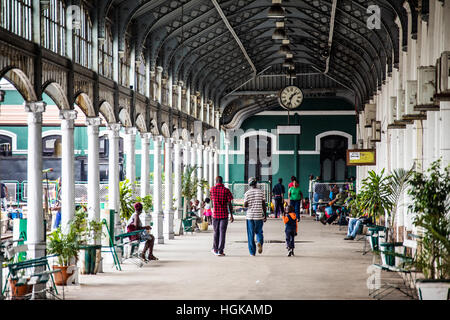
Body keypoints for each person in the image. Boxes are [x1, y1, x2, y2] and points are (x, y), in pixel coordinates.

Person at [209, 176, 234, 256]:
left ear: (216, 181)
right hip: (224, 214)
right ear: (222, 181)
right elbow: (229, 203)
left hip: (215, 214)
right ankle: (221, 251)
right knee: (222, 233)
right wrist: (232, 215)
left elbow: (212, 200)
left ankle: (215, 249)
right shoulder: (226, 190)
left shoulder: (212, 189)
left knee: (216, 232)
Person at [244, 177, 267, 256]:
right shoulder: (261, 192)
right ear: (256, 183)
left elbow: (245, 205)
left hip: (250, 217)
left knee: (251, 234)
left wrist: (246, 204)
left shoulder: (247, 193)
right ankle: (259, 242)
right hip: (258, 216)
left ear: (249, 184)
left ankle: (252, 252)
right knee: (259, 232)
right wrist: (265, 215)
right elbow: (264, 204)